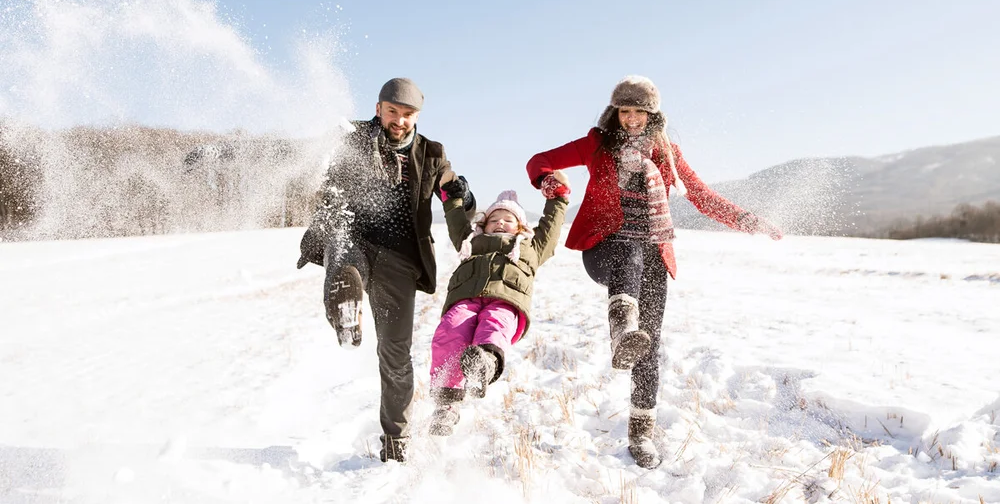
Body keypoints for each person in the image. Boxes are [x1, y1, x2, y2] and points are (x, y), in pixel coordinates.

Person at [525, 75, 782, 468]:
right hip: (603, 248)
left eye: (639, 112)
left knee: (650, 345)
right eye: (624, 111)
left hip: (654, 254)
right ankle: (621, 327)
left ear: (652, 115)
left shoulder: (667, 154)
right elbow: (539, 161)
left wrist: (751, 222)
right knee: (630, 250)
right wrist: (549, 183)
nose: (631, 119)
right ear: (615, 113)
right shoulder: (597, 144)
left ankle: (641, 433)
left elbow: (701, 196)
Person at [296, 77, 477, 463]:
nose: (399, 120)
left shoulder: (432, 154)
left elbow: (451, 196)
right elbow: (303, 156)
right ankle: (344, 307)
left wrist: (464, 206)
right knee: (343, 252)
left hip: (400, 258)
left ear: (417, 116)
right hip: (354, 236)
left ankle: (396, 440)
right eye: (392, 111)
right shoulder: (351, 136)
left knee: (395, 353)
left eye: (407, 114)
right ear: (378, 109)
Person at [426, 177, 570, 436]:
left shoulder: (531, 247)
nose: (500, 222)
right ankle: (446, 404)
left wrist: (558, 197)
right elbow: (456, 221)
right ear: (484, 224)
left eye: (507, 219)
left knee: (493, 325)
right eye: (494, 219)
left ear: (520, 226)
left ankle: (486, 363)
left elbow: (550, 227)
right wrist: (451, 198)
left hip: (505, 301)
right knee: (450, 329)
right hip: (466, 299)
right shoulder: (471, 242)